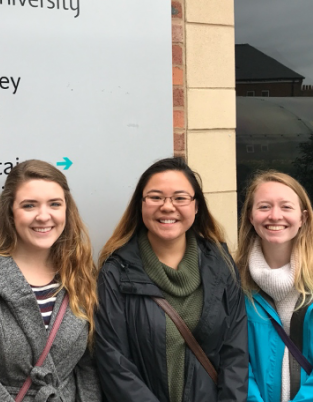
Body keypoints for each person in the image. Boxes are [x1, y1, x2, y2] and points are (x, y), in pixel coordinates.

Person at [0, 160, 100, 402]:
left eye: (55, 204)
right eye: (29, 205)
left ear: (67, 210)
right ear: (10, 212)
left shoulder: (79, 274)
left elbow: (88, 366)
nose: (43, 216)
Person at [94, 157, 248, 402]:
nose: (167, 207)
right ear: (140, 205)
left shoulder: (222, 265)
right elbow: (114, 362)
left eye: (180, 198)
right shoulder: (116, 273)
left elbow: (235, 353)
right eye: (155, 197)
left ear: (196, 206)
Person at [235, 171, 313, 402]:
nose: (275, 216)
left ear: (303, 218)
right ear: (250, 217)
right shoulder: (234, 283)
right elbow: (235, 363)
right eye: (264, 207)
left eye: (286, 207)